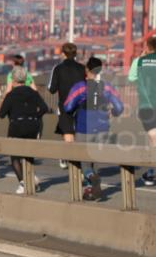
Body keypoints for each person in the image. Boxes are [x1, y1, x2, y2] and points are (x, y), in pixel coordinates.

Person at [63, 57, 124, 201]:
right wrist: (113, 112)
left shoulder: (80, 87)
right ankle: (93, 190)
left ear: (86, 70)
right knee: (93, 159)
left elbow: (68, 106)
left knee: (83, 162)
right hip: (103, 128)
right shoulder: (107, 87)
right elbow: (119, 107)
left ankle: (92, 179)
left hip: (84, 128)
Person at [0, 65, 49, 195]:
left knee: (15, 157)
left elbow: (1, 114)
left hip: (17, 126)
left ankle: (23, 182)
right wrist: (34, 117)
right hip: (33, 125)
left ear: (13, 80)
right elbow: (44, 108)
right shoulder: (33, 93)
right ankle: (31, 178)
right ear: (25, 78)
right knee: (28, 154)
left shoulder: (11, 95)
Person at [48, 42, 87, 168]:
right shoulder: (82, 68)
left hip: (65, 105)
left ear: (63, 54)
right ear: (75, 54)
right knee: (77, 133)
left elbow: (51, 89)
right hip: (81, 104)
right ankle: (74, 160)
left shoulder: (58, 68)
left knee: (68, 132)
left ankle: (68, 159)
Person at [129, 36, 156, 185]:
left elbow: (132, 78)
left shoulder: (139, 62)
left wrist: (140, 57)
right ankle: (151, 171)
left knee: (154, 139)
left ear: (148, 47)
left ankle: (152, 172)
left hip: (147, 106)